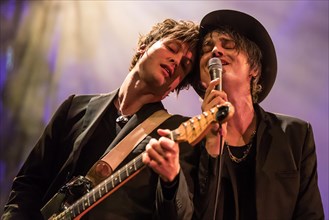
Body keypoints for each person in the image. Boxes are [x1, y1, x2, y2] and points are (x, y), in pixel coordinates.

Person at [2, 18, 200, 220]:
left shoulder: (175, 133)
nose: (176, 61)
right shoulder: (75, 107)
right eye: (172, 48)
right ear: (144, 47)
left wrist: (172, 180)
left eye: (185, 65)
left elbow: (180, 215)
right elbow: (30, 183)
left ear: (174, 87)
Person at [191, 10, 324, 220]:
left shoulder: (295, 135)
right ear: (201, 79)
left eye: (228, 45)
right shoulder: (188, 142)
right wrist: (211, 145)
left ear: (253, 68)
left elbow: (310, 214)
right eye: (207, 50)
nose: (215, 51)